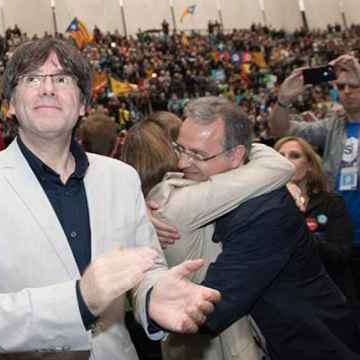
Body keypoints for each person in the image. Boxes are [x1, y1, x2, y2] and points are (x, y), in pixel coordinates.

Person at [0, 38, 220, 359]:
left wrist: (152, 296)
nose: (48, 88)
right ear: (10, 103)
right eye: (32, 78)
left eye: (63, 78)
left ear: (83, 104)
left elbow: (144, 269)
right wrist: (77, 303)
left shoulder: (121, 179)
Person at [157, 96, 360, 359]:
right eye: (180, 149)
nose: (183, 163)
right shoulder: (234, 190)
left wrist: (152, 301)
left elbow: (214, 307)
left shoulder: (265, 213)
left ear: (236, 155)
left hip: (311, 346)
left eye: (197, 154)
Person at [122, 119, 294, 359]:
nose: (187, 157)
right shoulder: (186, 200)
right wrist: (236, 145)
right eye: (182, 148)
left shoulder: (143, 207)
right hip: (221, 341)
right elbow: (278, 167)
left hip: (178, 342)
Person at [268, 53, 360, 299]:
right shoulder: (332, 126)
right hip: (339, 236)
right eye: (341, 86)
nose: (348, 91)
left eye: (355, 85)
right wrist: (284, 101)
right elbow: (281, 131)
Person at [275, 136, 358, 303]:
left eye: (294, 156)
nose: (286, 161)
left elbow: (339, 256)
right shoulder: (264, 206)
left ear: (310, 166)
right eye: (280, 156)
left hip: (328, 297)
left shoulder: (332, 203)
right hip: (284, 298)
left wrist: (297, 223)